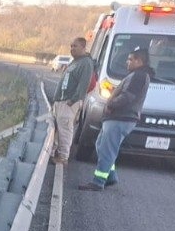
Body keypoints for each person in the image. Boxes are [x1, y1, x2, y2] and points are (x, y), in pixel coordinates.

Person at [79, 46, 153, 191]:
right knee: (101, 145)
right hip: (119, 118)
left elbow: (128, 96)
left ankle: (98, 181)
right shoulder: (137, 75)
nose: (127, 62)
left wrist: (111, 104)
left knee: (107, 150)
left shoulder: (139, 76)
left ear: (139, 61)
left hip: (121, 118)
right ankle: (110, 176)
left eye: (130, 59)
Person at [51, 37, 93, 164]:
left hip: (69, 102)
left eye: (75, 46)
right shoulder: (74, 62)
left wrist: (73, 100)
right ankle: (55, 152)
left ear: (83, 47)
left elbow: (83, 85)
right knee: (58, 128)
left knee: (65, 128)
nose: (72, 49)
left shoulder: (85, 63)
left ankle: (63, 157)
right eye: (71, 46)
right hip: (61, 100)